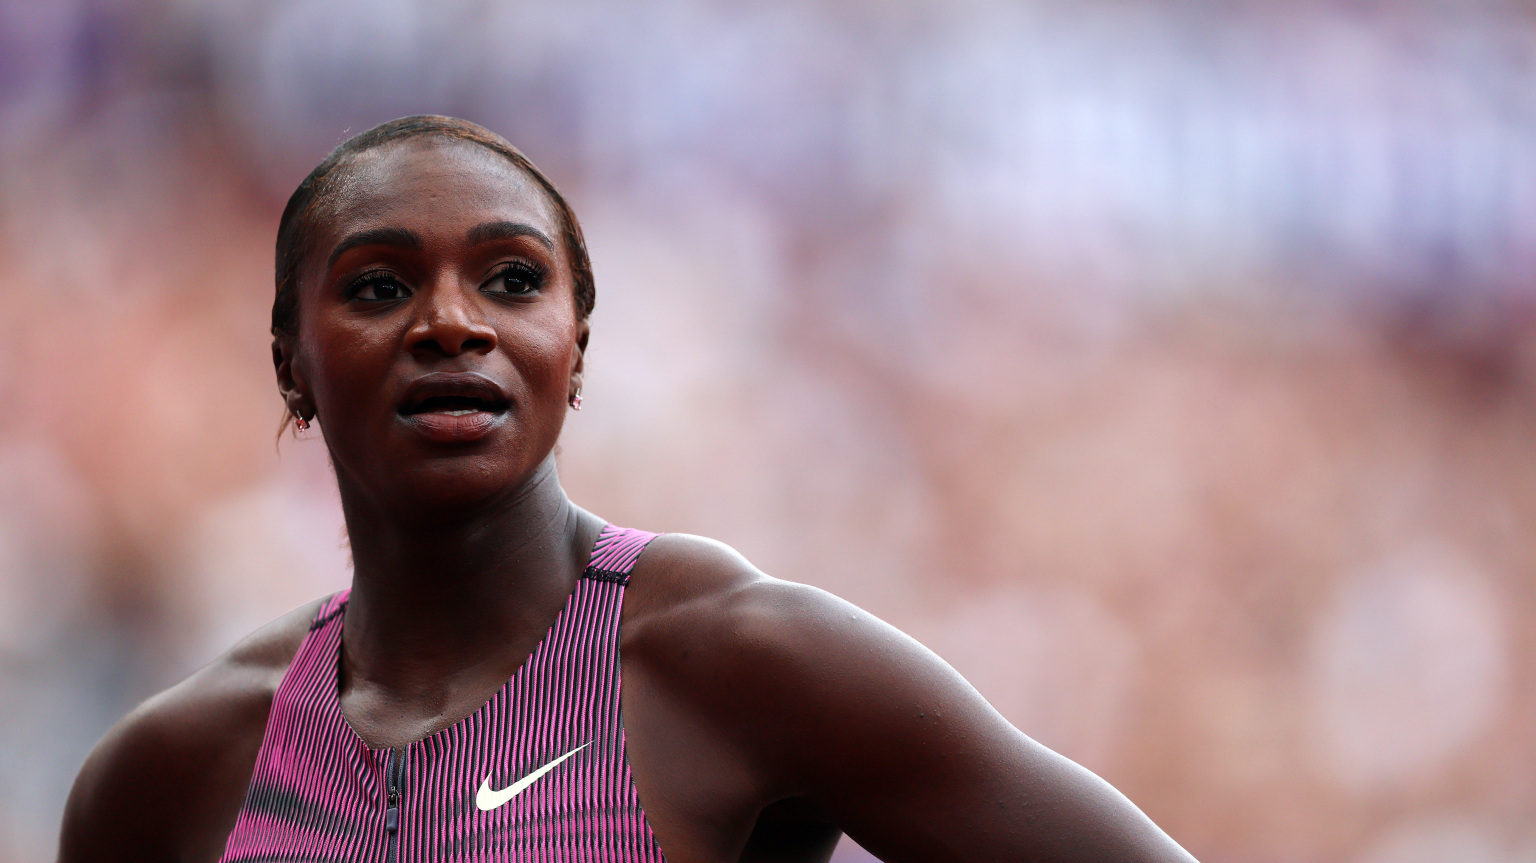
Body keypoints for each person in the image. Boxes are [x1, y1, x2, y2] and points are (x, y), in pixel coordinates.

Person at [57, 115, 1197, 863]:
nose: (453, 321)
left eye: (512, 278)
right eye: (379, 283)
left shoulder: (732, 657)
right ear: (291, 361)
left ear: (577, 348)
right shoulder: (172, 773)